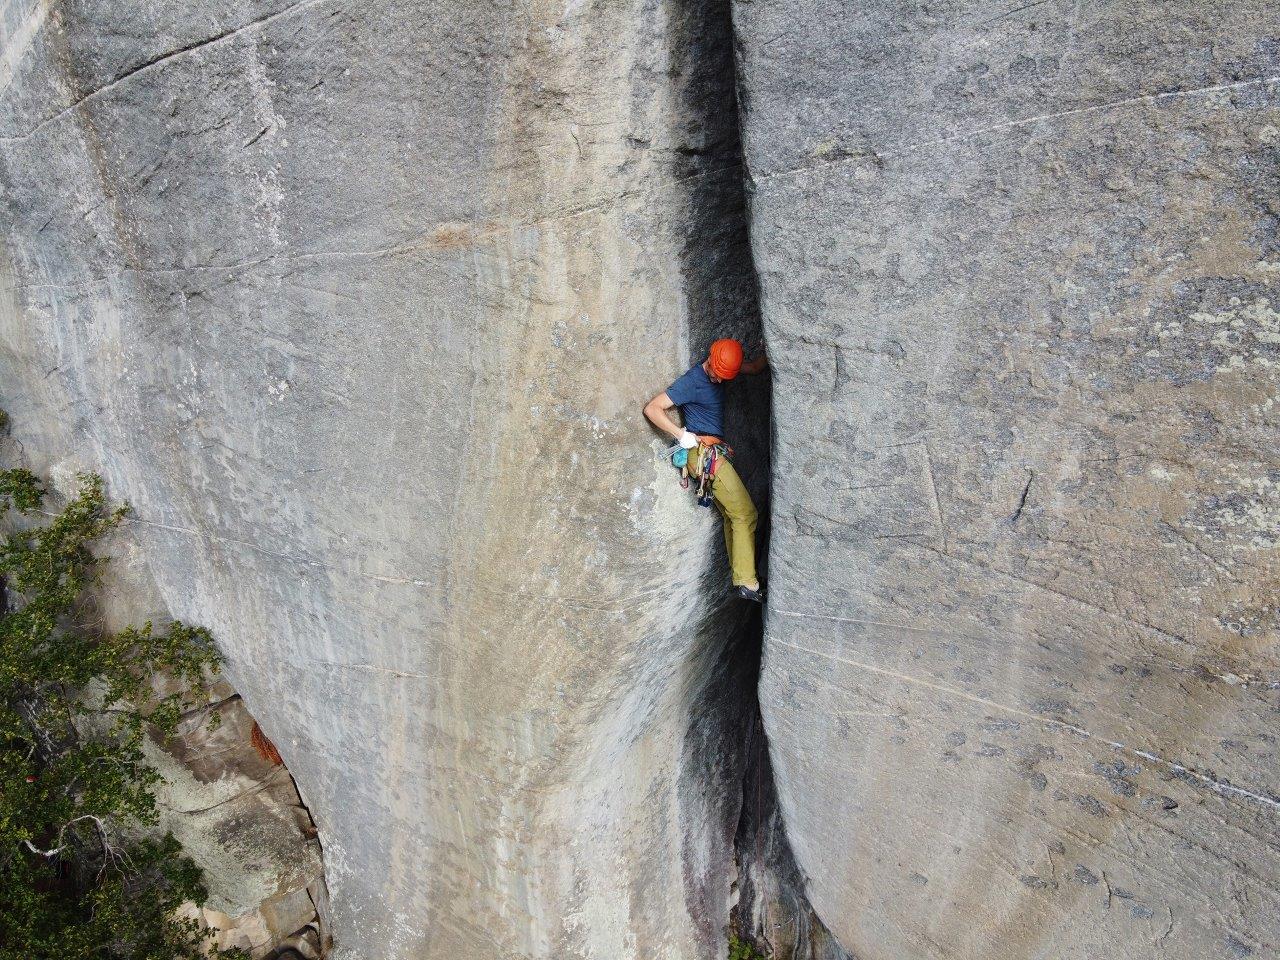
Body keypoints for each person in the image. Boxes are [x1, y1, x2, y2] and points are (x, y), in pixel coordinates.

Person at [644, 338, 767, 602]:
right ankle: (747, 581)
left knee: (732, 515)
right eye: (717, 374)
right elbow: (652, 409)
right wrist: (681, 434)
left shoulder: (722, 370)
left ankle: (743, 577)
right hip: (702, 453)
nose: (720, 381)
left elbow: (755, 368)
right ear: (710, 359)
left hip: (712, 453)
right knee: (745, 513)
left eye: (725, 377)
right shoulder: (692, 381)